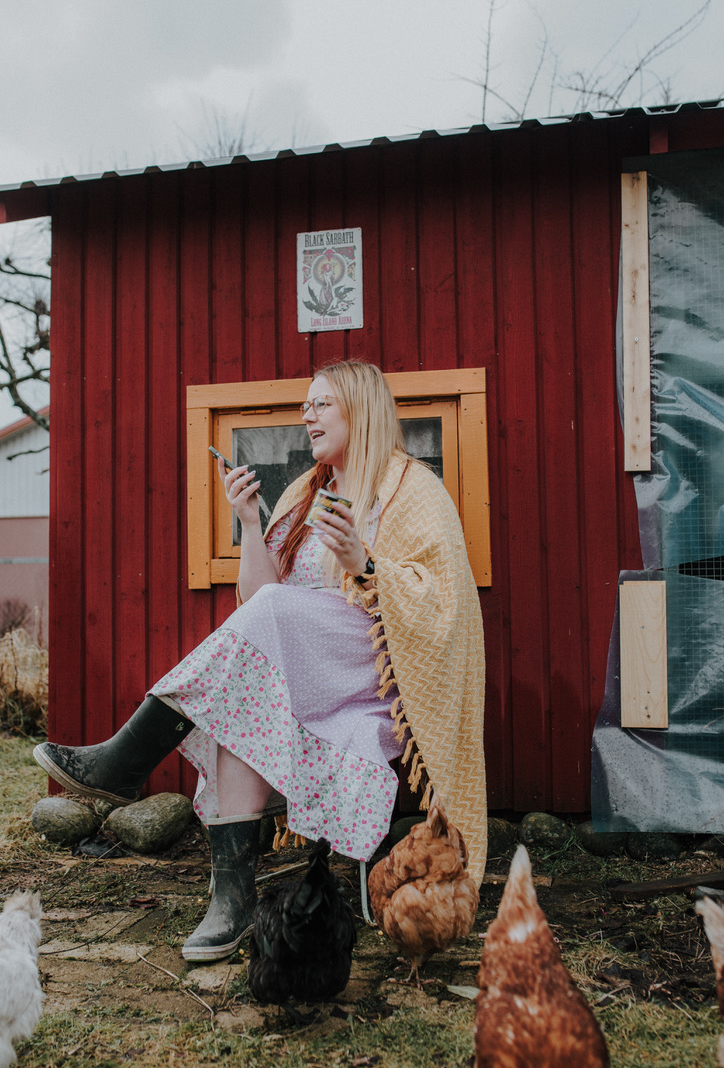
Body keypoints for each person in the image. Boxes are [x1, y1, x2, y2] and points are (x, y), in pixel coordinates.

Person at [33, 360, 487, 962]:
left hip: (369, 672)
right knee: (237, 703)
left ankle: (127, 758)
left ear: (361, 409)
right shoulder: (304, 493)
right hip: (304, 665)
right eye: (306, 405)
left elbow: (442, 600)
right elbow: (259, 597)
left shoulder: (411, 489)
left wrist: (365, 564)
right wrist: (249, 521)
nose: (307, 415)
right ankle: (233, 898)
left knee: (254, 654)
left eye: (321, 404)